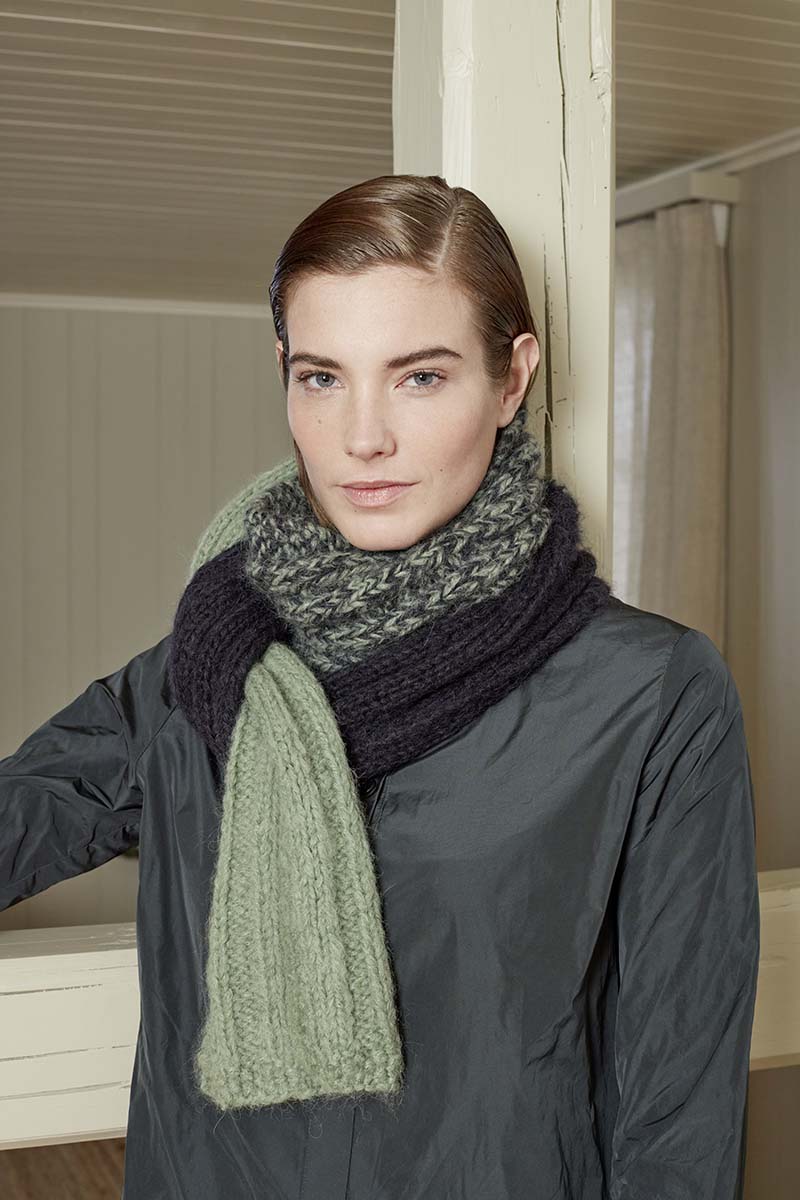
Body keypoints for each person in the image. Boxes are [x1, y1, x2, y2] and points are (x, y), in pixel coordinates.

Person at [0, 174, 760, 1200]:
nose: (363, 437)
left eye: (419, 377)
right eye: (322, 377)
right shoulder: (208, 665)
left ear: (510, 379)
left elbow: (679, 1108)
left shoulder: (648, 692)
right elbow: (29, 811)